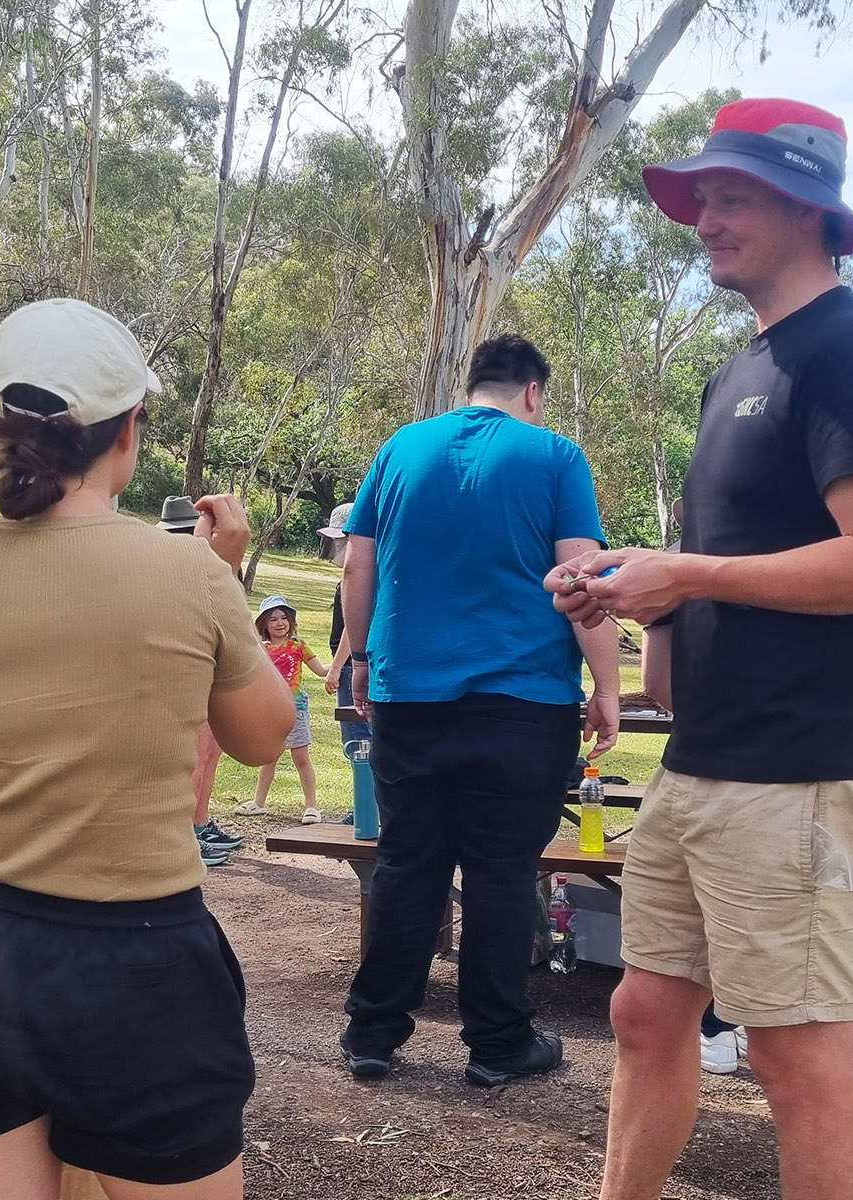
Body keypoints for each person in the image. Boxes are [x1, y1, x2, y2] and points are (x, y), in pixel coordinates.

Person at [550, 98, 853, 1200]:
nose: (705, 220)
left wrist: (692, 573)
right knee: (639, 1012)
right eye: (701, 199)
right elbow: (734, 563)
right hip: (707, 762)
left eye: (732, 197)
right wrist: (632, 589)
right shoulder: (742, 370)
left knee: (795, 1059)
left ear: (809, 209)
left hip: (802, 773)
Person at [0, 297, 294, 1197]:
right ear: (128, 429)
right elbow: (261, 739)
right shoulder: (188, 575)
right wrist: (221, 569)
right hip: (139, 963)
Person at [340, 333, 621, 1086]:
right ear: (533, 392)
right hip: (522, 698)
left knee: (407, 861)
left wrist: (360, 658)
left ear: (472, 385)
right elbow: (580, 578)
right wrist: (608, 687)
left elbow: (358, 562)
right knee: (501, 870)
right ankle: (497, 1044)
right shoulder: (554, 455)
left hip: (411, 694)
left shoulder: (400, 447)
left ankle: (373, 1034)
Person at [160, 496, 244, 866]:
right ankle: (187, 836)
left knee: (209, 754)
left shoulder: (209, 569)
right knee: (195, 757)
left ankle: (198, 824)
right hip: (186, 680)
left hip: (212, 674)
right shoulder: (171, 575)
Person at [238, 596, 329, 823]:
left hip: (295, 709)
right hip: (269, 710)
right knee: (269, 756)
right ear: (263, 625)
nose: (280, 623)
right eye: (272, 619)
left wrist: (340, 666)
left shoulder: (298, 645)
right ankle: (258, 802)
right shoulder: (260, 650)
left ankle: (311, 806)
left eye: (283, 617)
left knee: (301, 756)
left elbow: (320, 670)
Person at [319, 503, 370, 825]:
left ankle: (367, 809)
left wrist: (337, 668)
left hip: (356, 667)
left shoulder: (358, 578)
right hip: (362, 665)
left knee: (359, 741)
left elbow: (354, 628)